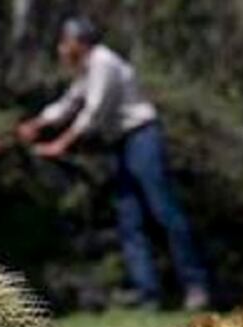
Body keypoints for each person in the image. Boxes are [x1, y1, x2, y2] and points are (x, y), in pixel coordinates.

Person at [17, 17, 211, 311]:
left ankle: (196, 287)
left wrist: (60, 144)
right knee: (129, 220)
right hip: (121, 144)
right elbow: (69, 103)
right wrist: (36, 123)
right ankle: (148, 295)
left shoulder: (104, 63)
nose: (60, 48)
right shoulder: (86, 69)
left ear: (79, 43)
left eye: (64, 42)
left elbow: (93, 112)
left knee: (163, 210)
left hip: (142, 137)